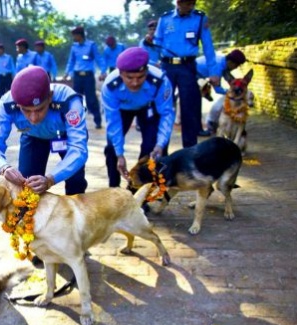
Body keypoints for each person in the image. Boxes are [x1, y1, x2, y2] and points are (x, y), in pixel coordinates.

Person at [0, 65, 88, 197]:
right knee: (27, 187)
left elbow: (78, 149)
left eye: (39, 109)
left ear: (50, 97)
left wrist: (50, 179)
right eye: (25, 110)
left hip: (65, 137)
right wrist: (3, 167)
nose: (33, 118)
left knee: (75, 183)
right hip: (32, 136)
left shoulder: (69, 101)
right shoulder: (6, 104)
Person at [102, 47, 175, 188]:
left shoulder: (160, 81)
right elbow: (113, 121)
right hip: (122, 110)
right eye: (129, 78)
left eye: (140, 77)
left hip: (148, 108)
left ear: (146, 72)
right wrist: (119, 154)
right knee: (111, 149)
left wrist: (160, 144)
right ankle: (114, 190)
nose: (135, 83)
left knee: (150, 148)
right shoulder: (110, 86)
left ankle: (140, 191)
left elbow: (166, 113)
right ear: (121, 73)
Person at [155, 0, 219, 146]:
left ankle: (190, 152)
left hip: (187, 67)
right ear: (178, 2)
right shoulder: (165, 19)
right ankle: (161, 150)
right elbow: (156, 44)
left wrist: (213, 72)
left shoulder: (200, 18)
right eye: (187, 4)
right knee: (164, 107)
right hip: (167, 67)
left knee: (189, 110)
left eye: (192, 3)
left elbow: (208, 46)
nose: (190, 7)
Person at [196, 49, 247, 136]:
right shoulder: (218, 66)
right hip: (193, 73)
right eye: (236, 66)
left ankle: (206, 92)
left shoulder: (222, 63)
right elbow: (218, 89)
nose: (235, 68)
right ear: (231, 62)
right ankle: (200, 129)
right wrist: (231, 93)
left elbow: (230, 80)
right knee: (195, 103)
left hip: (198, 73)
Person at [65, 26, 106, 129]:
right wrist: (67, 73)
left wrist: (103, 71)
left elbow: (98, 58)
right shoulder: (74, 47)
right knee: (75, 99)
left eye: (75, 35)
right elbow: (71, 61)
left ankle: (98, 121)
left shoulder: (91, 45)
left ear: (80, 35)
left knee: (91, 99)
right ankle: (74, 121)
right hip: (77, 76)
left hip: (88, 76)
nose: (73, 37)